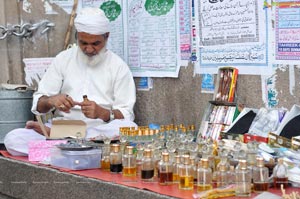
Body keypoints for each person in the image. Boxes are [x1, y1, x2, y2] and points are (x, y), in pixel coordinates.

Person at [4, 7, 137, 156]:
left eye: (95, 44)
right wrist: (51, 101)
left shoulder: (119, 67)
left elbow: (127, 115)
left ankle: (64, 148)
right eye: (83, 43)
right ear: (77, 37)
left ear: (106, 37)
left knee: (129, 128)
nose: (89, 49)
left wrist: (103, 113)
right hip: (61, 127)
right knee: (13, 139)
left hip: (98, 132)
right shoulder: (63, 59)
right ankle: (83, 150)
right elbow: (39, 105)